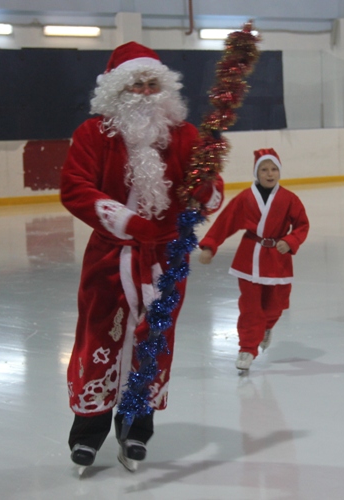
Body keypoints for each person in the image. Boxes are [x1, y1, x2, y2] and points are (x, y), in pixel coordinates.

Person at [60, 41, 224, 471]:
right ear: (117, 91)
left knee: (153, 343)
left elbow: (210, 194)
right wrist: (129, 223)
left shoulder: (186, 136)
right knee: (100, 339)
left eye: (154, 84)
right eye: (137, 85)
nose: (147, 92)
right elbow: (75, 188)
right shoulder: (93, 134)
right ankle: (88, 433)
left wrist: (205, 190)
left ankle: (136, 430)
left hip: (165, 261)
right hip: (110, 258)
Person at [198, 148, 309, 370]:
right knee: (250, 307)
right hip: (249, 259)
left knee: (275, 305)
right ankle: (247, 349)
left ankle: (266, 327)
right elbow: (226, 222)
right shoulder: (245, 198)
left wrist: (290, 241)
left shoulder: (289, 199)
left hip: (278, 259)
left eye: (274, 169)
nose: (270, 174)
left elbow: (302, 225)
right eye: (264, 169)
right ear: (256, 173)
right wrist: (210, 245)